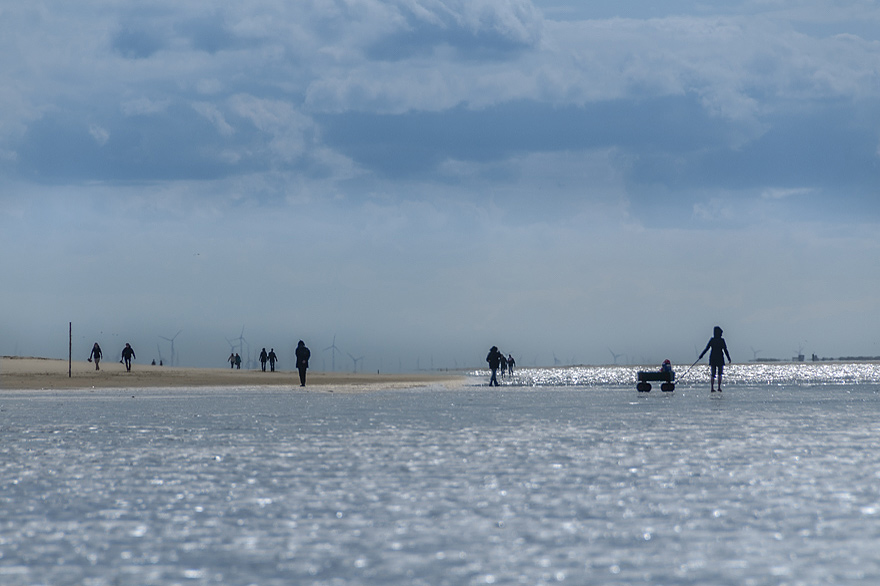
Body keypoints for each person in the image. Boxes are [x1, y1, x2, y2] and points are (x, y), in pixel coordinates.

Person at [699, 326, 731, 392]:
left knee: (713, 374)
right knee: (720, 374)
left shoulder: (712, 340)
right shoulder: (722, 340)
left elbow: (706, 348)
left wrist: (701, 355)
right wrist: (728, 358)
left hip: (713, 358)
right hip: (720, 358)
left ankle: (712, 388)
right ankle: (719, 387)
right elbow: (725, 350)